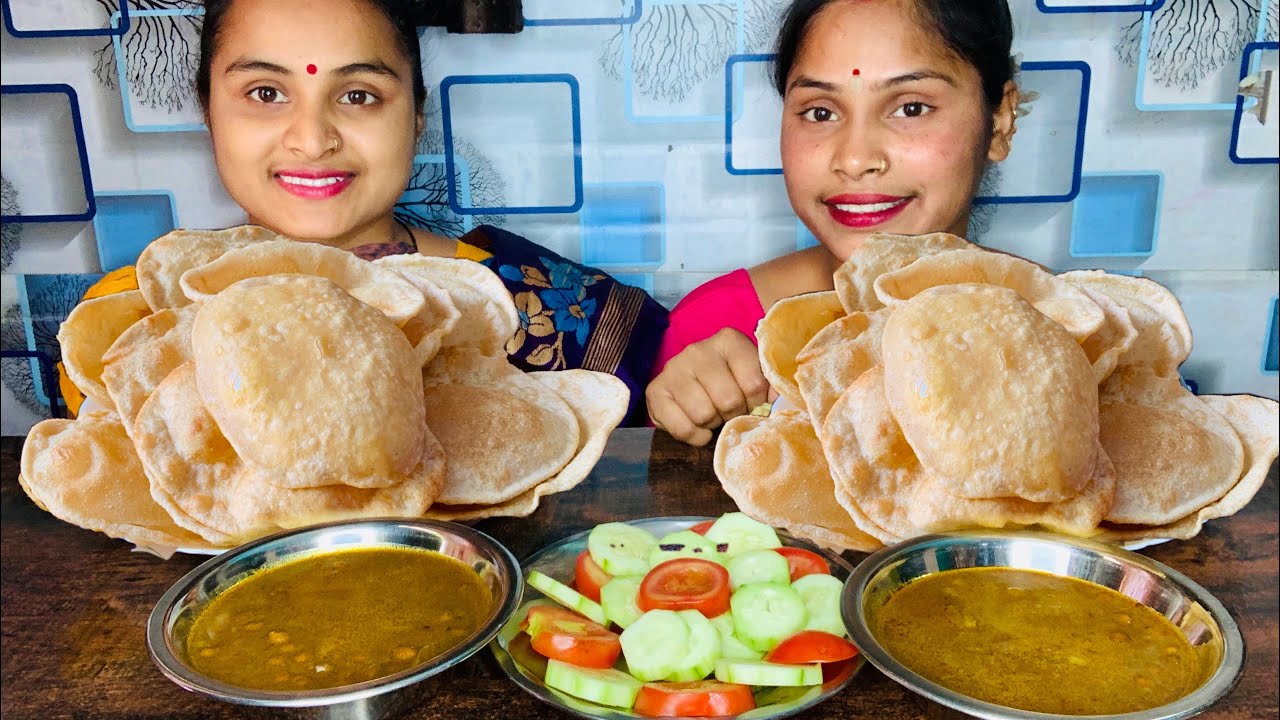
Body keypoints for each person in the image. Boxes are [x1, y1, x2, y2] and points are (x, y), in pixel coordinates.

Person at [60, 0, 667, 426]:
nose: (312, 138)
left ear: (417, 115)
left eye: (358, 96)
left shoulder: (542, 305)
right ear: (207, 110)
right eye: (266, 94)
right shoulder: (131, 323)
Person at [645, 0, 1021, 445]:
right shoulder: (714, 335)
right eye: (820, 112)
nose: (855, 159)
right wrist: (690, 420)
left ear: (999, 122)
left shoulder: (1074, 328)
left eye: (912, 108)